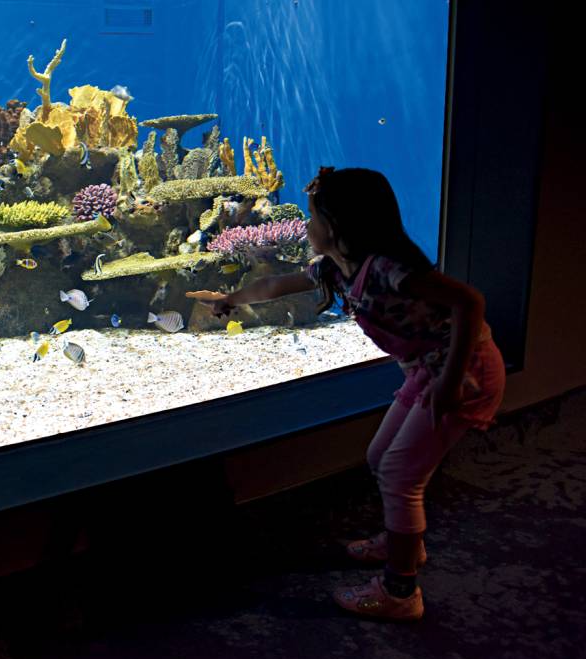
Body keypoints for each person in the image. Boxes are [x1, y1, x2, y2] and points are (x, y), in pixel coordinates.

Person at [187, 167, 506, 621]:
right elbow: (275, 285)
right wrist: (229, 298)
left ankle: (400, 592)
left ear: (337, 225)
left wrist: (452, 380)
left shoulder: (390, 270)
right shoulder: (335, 269)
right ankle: (404, 547)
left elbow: (469, 302)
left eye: (313, 216)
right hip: (425, 370)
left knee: (399, 473)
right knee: (381, 458)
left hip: (463, 372)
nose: (306, 225)